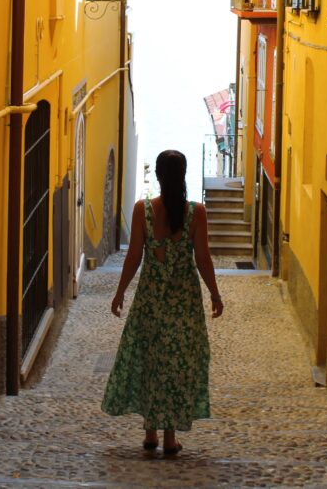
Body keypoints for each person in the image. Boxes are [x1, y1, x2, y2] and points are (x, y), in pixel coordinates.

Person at [101, 149, 224, 455]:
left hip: (150, 302)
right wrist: (214, 294)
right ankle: (170, 437)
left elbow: (133, 258)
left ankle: (150, 433)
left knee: (149, 361)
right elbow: (203, 259)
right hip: (183, 304)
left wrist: (120, 293)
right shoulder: (197, 214)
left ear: (157, 175)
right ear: (183, 176)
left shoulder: (142, 210)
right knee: (176, 365)